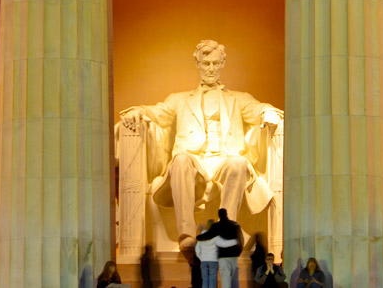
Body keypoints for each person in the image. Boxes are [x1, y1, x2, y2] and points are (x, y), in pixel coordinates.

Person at [120, 40, 283, 251]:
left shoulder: (239, 99)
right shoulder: (178, 99)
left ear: (223, 64)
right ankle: (186, 234)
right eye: (206, 63)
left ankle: (226, 231)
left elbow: (257, 108)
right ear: (197, 64)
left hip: (225, 159)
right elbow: (157, 113)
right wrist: (138, 112)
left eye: (216, 63)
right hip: (195, 162)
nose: (211, 69)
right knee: (180, 160)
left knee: (238, 162)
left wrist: (268, 112)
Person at [196, 208, 243, 288]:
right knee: (234, 278)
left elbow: (208, 235)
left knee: (225, 279)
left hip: (223, 257)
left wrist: (198, 237)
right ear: (226, 214)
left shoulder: (217, 226)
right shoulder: (235, 225)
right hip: (234, 256)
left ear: (219, 215)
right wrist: (238, 250)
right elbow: (241, 240)